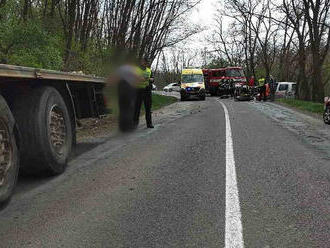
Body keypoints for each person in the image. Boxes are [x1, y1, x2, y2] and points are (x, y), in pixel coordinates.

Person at [134, 58, 154, 128]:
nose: (146, 64)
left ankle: (149, 123)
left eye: (147, 62)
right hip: (138, 91)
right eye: (144, 62)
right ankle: (135, 124)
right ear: (141, 62)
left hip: (147, 91)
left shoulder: (149, 70)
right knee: (137, 108)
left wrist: (151, 79)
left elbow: (152, 78)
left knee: (148, 108)